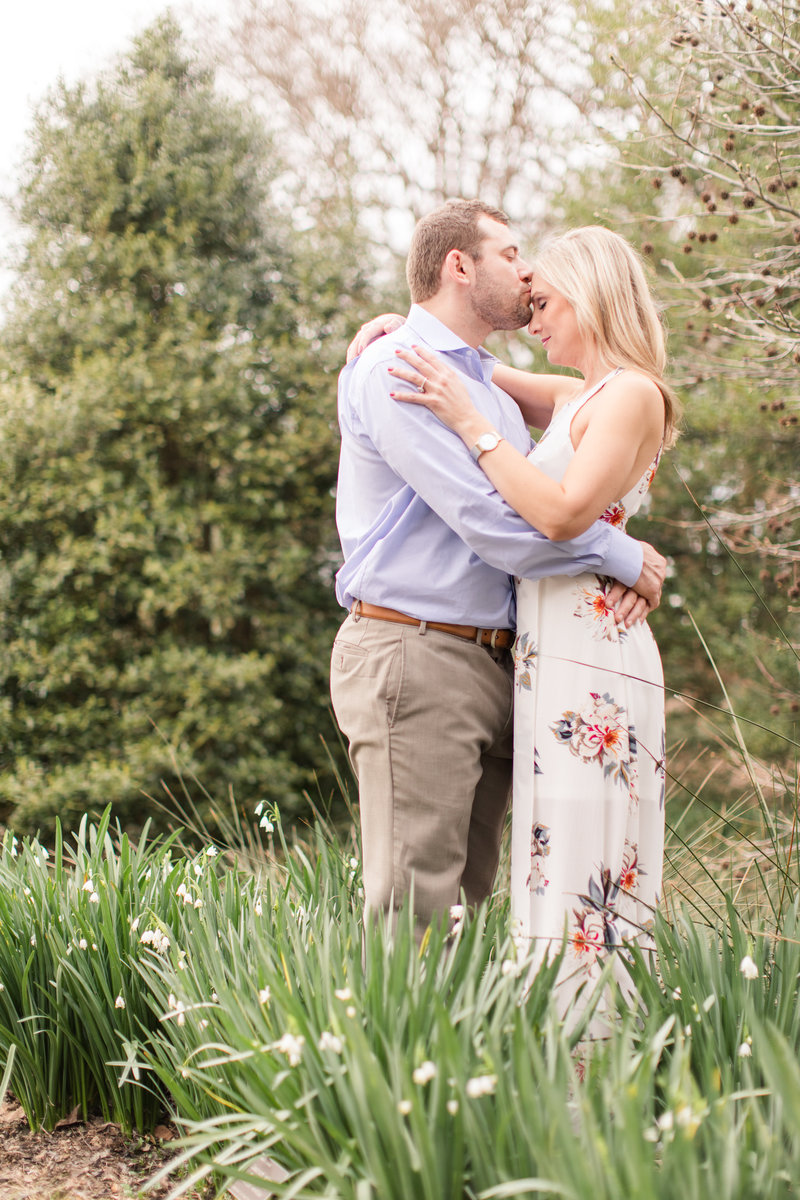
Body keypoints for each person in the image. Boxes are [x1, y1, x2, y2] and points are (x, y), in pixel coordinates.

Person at [331, 200, 667, 938]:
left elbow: (573, 436)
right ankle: (397, 1030)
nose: (526, 272)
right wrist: (624, 557)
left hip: (511, 660)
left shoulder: (484, 384)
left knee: (471, 902)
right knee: (417, 903)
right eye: (511, 255)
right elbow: (492, 523)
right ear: (460, 265)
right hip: (418, 650)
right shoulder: (400, 369)